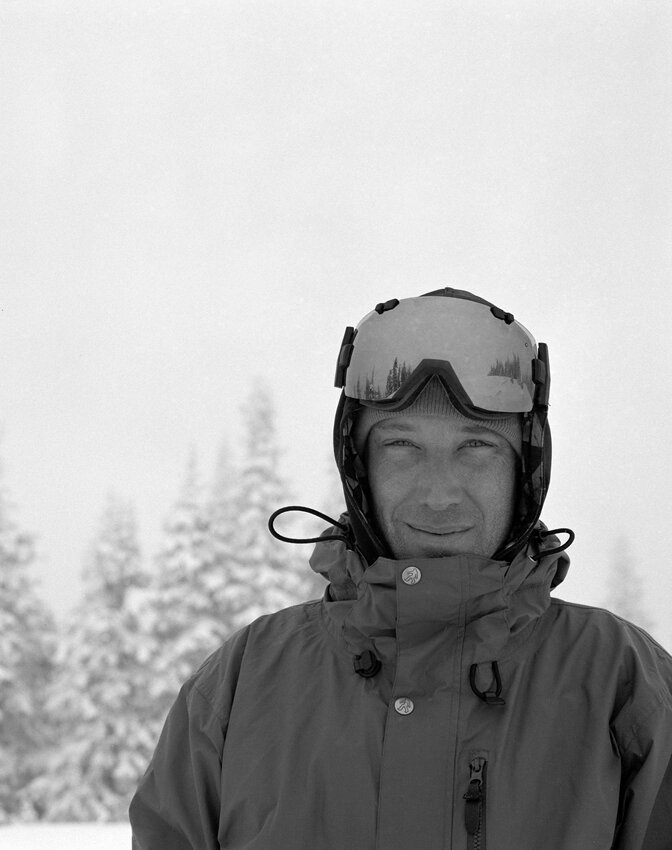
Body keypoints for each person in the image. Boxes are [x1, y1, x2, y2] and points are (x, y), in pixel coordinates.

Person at [129, 288, 672, 849]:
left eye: (477, 447)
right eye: (402, 446)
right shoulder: (243, 683)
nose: (439, 494)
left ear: (526, 469)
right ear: (359, 467)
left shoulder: (622, 684)